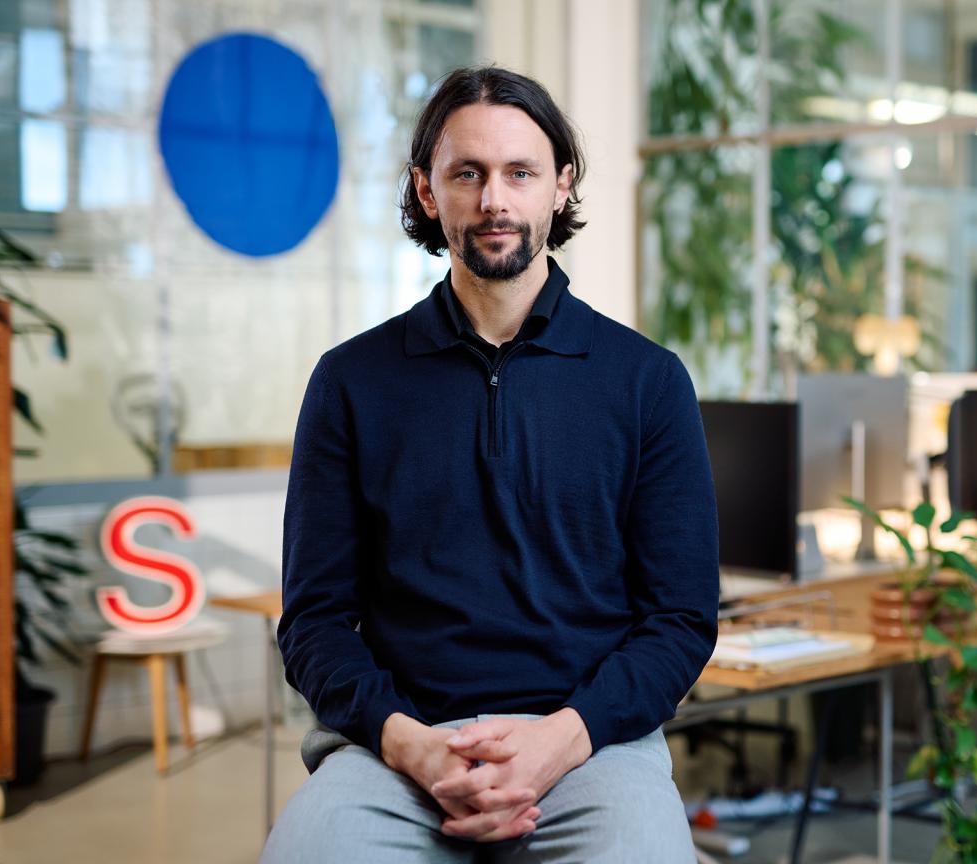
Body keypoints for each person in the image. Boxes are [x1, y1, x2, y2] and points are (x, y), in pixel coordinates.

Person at [261, 65, 718, 864]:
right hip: (397, 747)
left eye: (521, 173)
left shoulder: (647, 381)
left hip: (588, 745)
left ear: (561, 186)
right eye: (467, 173)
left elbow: (680, 620)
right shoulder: (350, 381)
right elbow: (313, 621)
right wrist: (410, 744)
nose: (494, 200)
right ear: (427, 190)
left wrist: (560, 740)